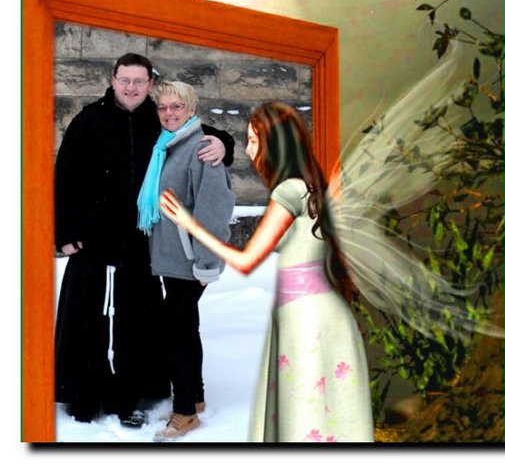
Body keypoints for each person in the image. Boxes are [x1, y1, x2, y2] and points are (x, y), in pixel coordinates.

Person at [160, 102, 374, 442]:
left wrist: (188, 223)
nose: (247, 150)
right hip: (316, 309)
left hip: (306, 316)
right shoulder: (311, 184)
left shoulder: (289, 191)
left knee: (303, 412)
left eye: (253, 141)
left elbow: (247, 260)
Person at [54, 53, 235, 427]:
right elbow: (66, 178)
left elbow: (200, 133)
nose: (131, 87)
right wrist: (66, 234)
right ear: (113, 79)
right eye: (125, 79)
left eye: (139, 81)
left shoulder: (160, 117)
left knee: (137, 323)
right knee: (89, 320)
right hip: (95, 241)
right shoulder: (88, 120)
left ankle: (133, 393)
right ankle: (86, 393)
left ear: (150, 83)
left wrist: (223, 143)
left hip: (143, 243)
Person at [137, 80, 235, 442]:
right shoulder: (167, 145)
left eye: (177, 107)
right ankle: (195, 396)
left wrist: (206, 264)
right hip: (172, 258)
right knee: (185, 327)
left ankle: (184, 413)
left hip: (191, 260)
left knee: (174, 332)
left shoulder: (201, 149)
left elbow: (214, 210)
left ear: (192, 110)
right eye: (163, 107)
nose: (169, 113)